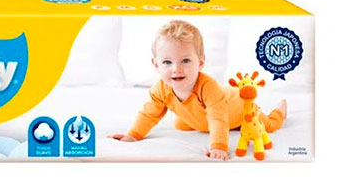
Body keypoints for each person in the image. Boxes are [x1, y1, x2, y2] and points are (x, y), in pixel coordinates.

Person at [110, 20, 287, 160]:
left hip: (239, 107)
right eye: (167, 62)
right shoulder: (160, 89)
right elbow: (149, 114)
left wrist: (219, 146)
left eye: (185, 61)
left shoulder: (208, 87)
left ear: (200, 62)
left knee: (269, 126)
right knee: (180, 124)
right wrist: (133, 135)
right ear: (156, 64)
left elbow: (217, 119)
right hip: (202, 119)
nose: (176, 69)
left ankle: (280, 111)